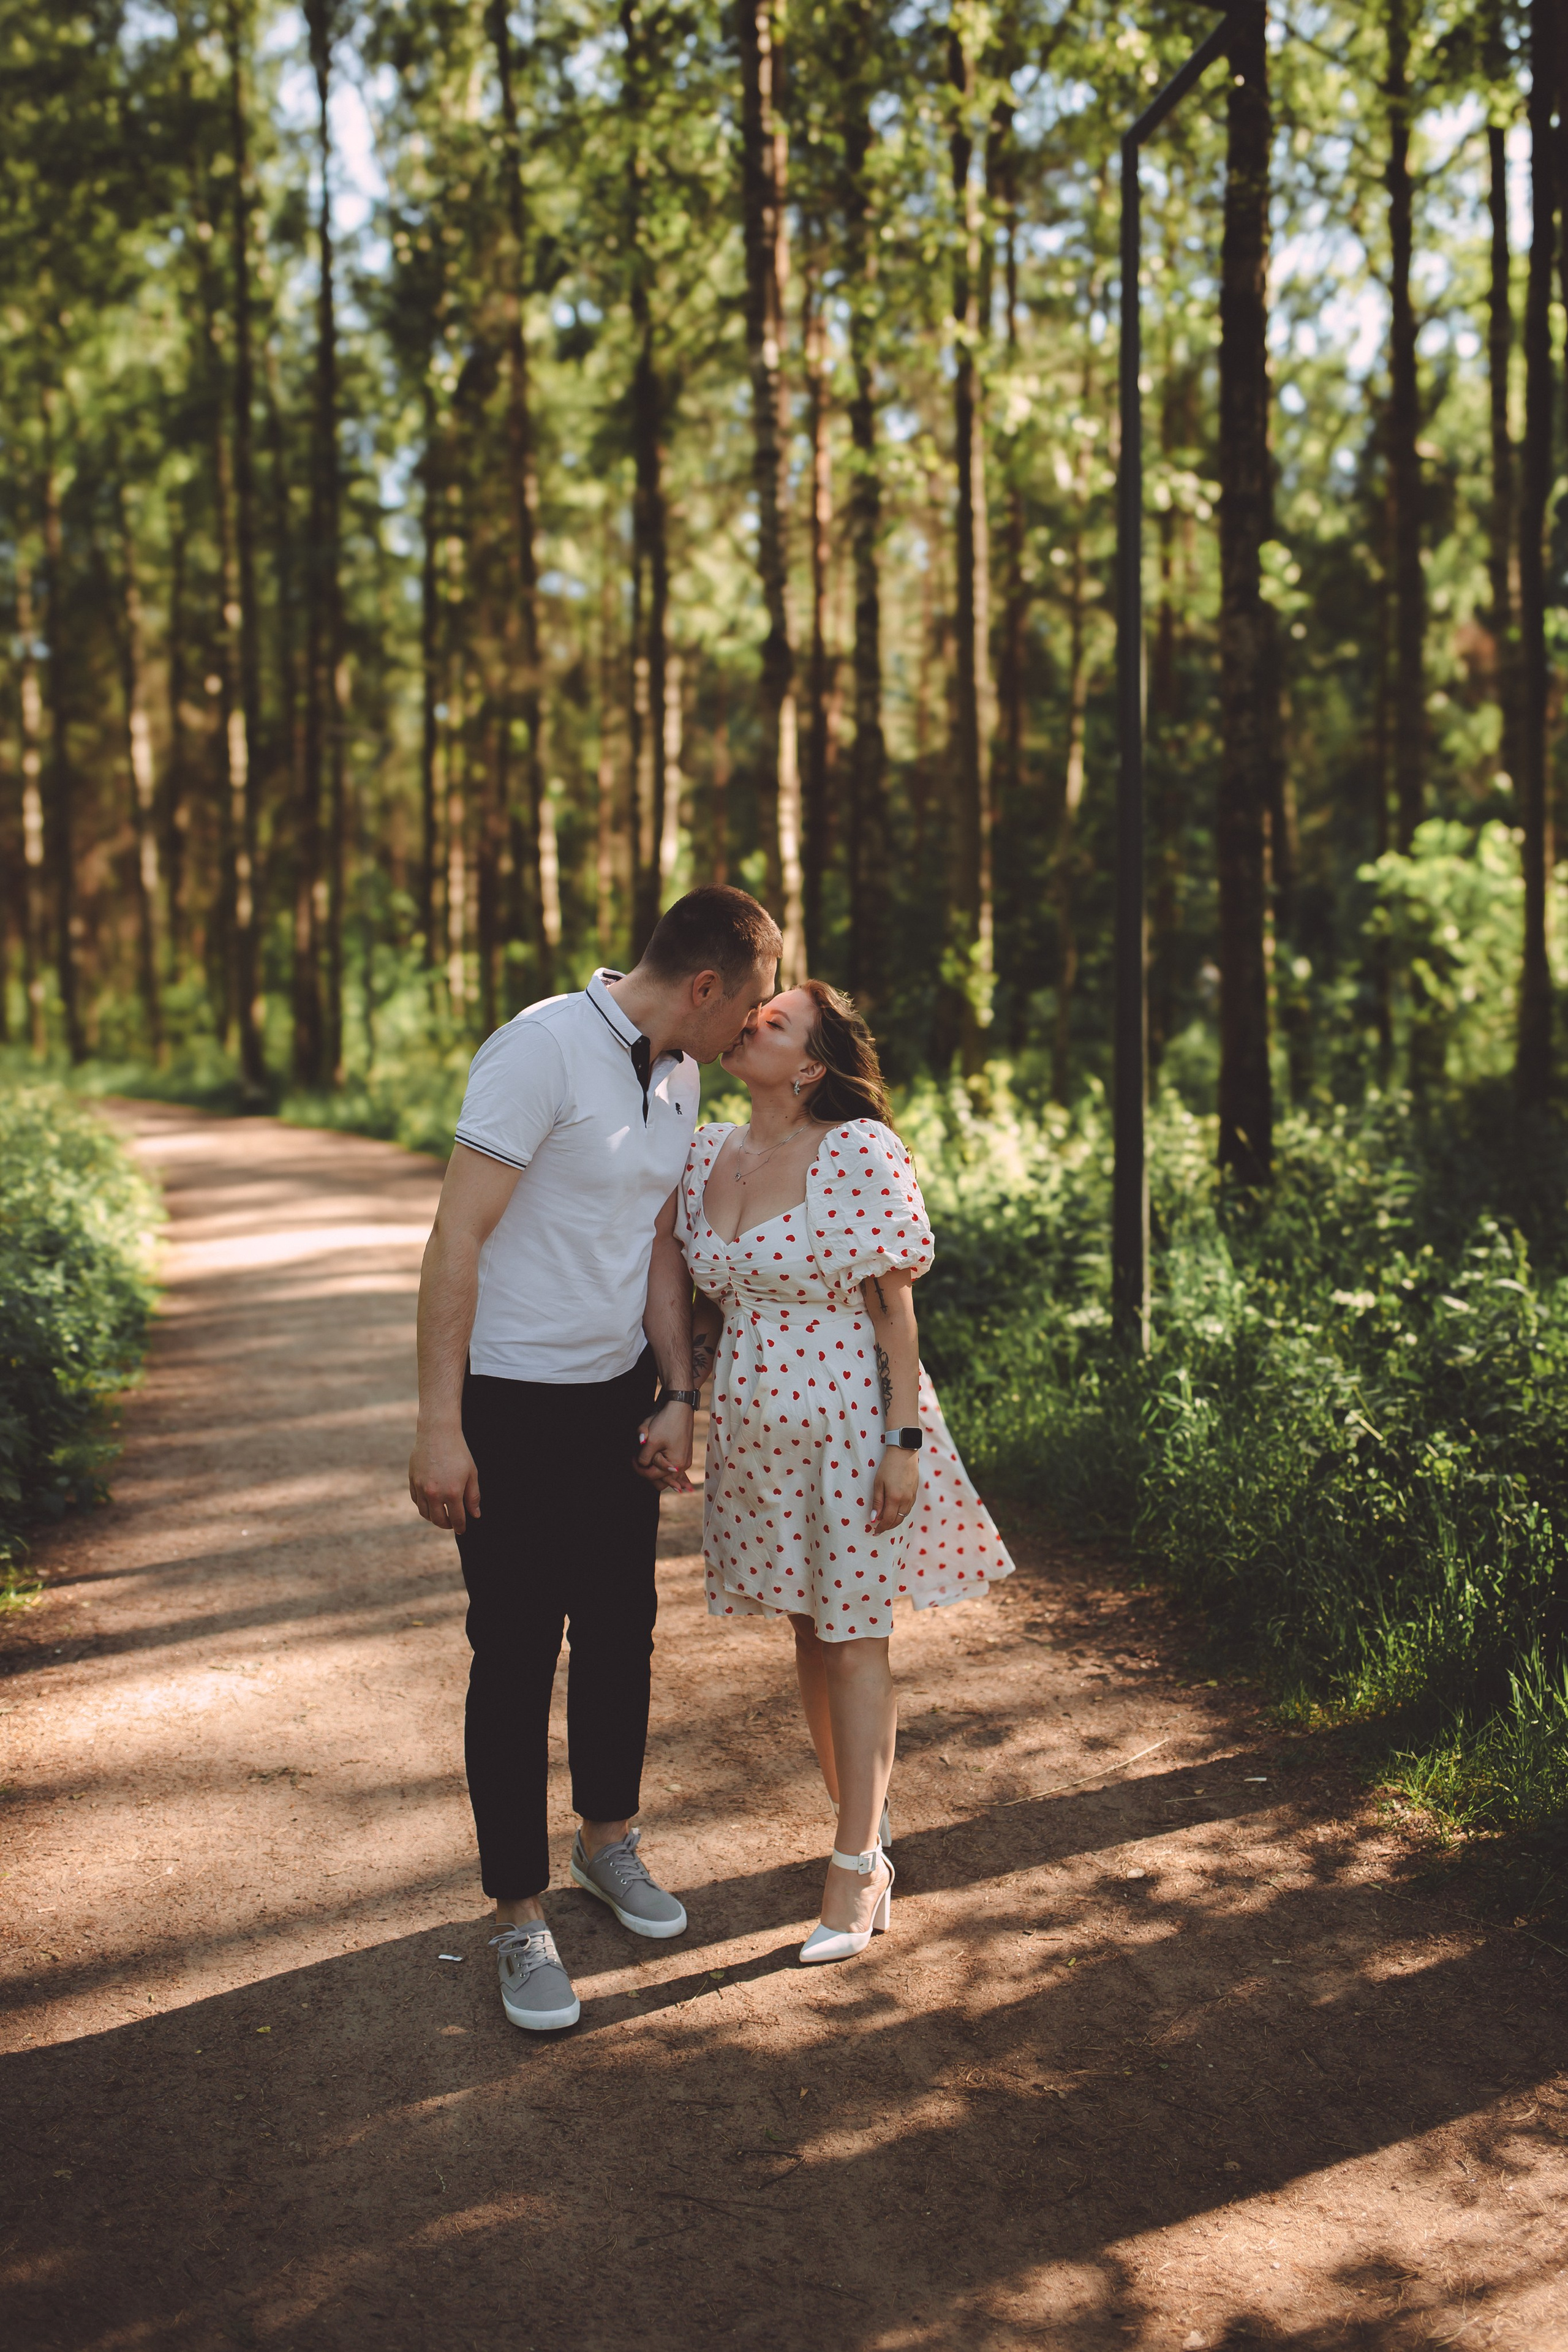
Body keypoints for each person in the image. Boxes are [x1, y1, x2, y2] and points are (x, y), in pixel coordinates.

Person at [408, 887, 781, 2032]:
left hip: (617, 1405)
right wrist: (439, 1423)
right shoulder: (540, 1051)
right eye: (753, 1004)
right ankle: (519, 1914)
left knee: (621, 1634)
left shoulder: (682, 1074)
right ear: (706, 986)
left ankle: (606, 1844)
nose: (756, 1028)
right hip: (511, 1405)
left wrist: (678, 1394)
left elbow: (659, 1247)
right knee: (514, 1656)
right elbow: (454, 1238)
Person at [676, 979, 1014, 1963]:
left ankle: (857, 1863)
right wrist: (684, 1403)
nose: (749, 1024)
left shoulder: (855, 1152)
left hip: (850, 1422)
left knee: (858, 1635)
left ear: (813, 1065)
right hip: (753, 1429)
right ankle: (864, 1828)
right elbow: (706, 1309)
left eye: (772, 1022)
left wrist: (902, 1445)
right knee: (809, 1631)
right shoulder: (709, 1150)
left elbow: (894, 1312)